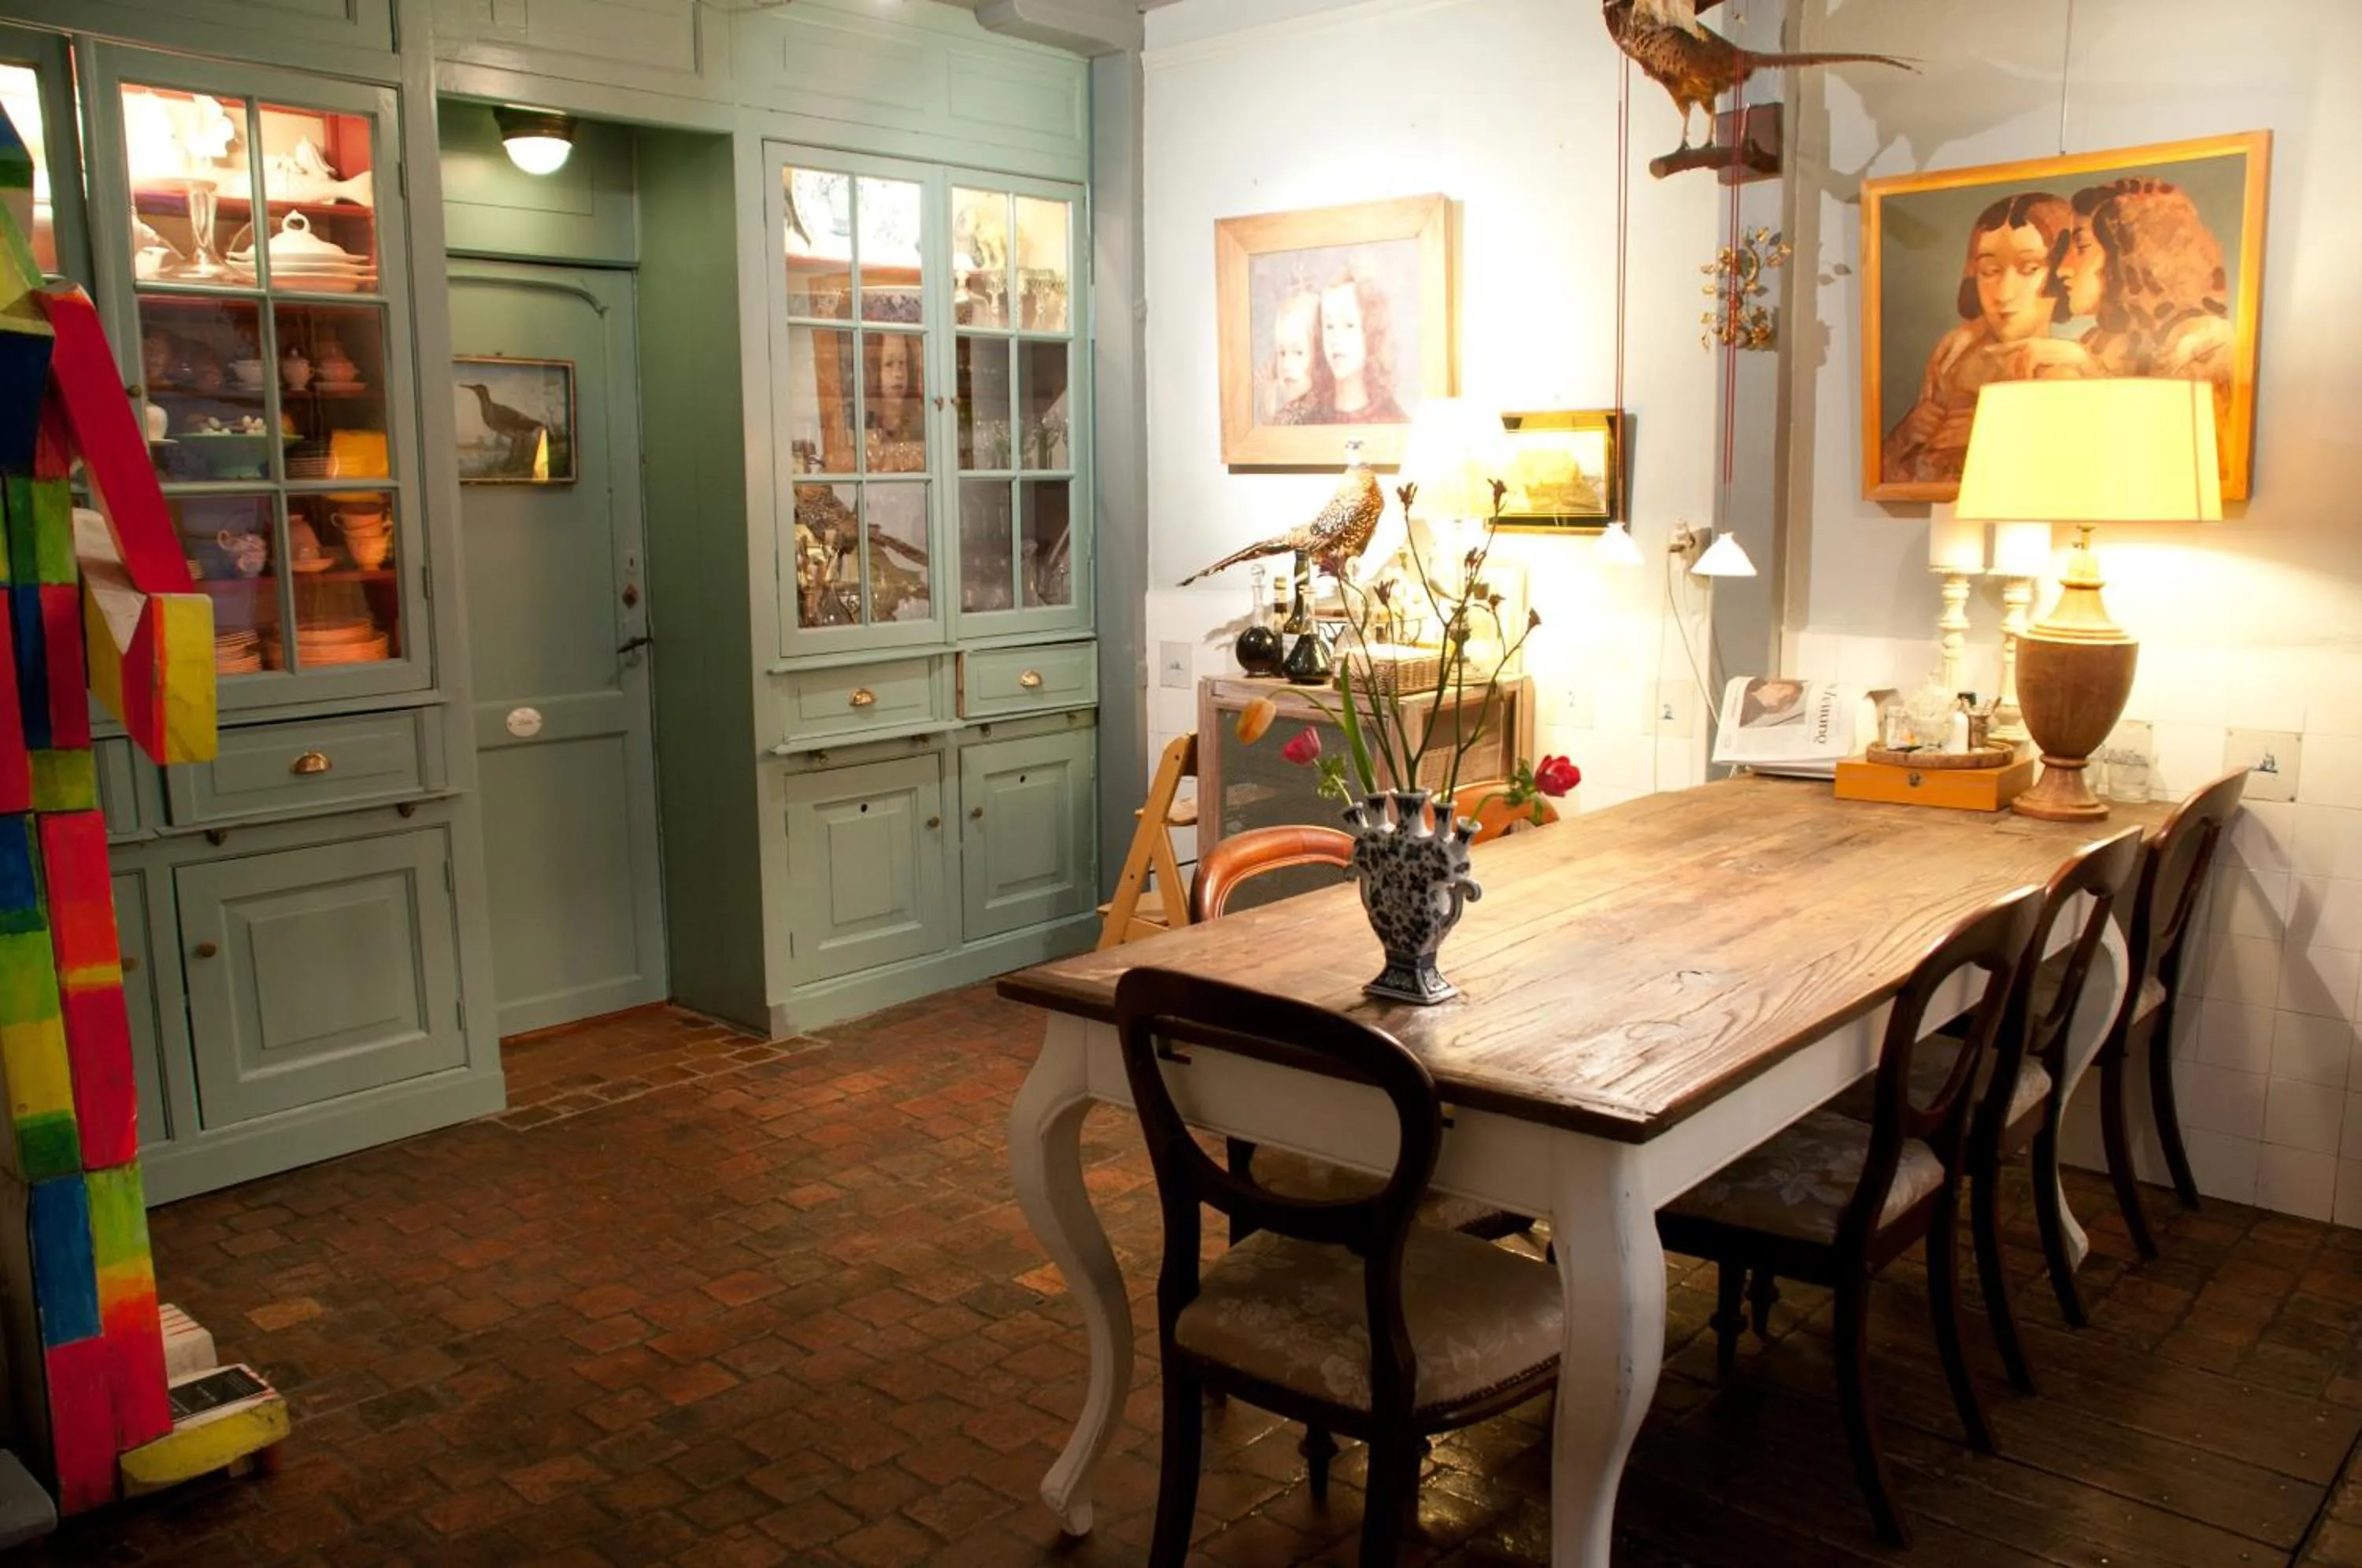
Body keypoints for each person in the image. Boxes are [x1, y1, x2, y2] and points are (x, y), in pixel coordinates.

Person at [1881, 191, 2091, 486]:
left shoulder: (2061, 371)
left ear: (2060, 272)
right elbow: (1894, 477)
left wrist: (1992, 434)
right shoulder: (1952, 356)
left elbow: (2072, 475)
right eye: (1989, 271)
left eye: (2029, 269)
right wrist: (1907, 435)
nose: (2004, 294)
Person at [2049, 177, 2235, 421]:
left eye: (2081, 247)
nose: (2063, 268)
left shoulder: (2206, 346)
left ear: (2130, 249)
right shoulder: (2094, 344)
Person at [1316, 268, 1406, 424]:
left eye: (1349, 325)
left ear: (1370, 333)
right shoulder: (1311, 418)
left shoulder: (1392, 420)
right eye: (1329, 326)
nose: (1335, 338)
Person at [1262, 289, 1331, 425]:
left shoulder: (1321, 416)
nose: (1286, 364)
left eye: (1298, 352)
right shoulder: (1287, 414)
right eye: (1282, 353)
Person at [864, 331, 924, 472]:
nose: (898, 374)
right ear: (875, 369)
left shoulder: (921, 420)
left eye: (902, 363)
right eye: (889, 364)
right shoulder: (862, 418)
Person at [1738, 677, 1807, 729]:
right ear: (1770, 684)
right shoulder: (1746, 686)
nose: (1780, 696)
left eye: (1786, 697)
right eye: (1781, 689)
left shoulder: (1751, 717)